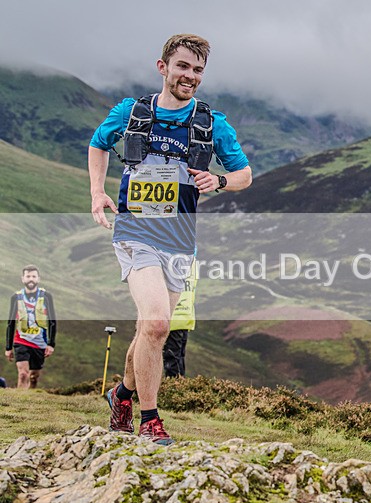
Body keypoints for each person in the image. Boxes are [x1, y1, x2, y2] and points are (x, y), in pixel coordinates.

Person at [88, 34, 252, 445]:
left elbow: (244, 175)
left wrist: (219, 180)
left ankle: (122, 395)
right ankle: (150, 419)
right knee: (158, 322)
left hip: (180, 241)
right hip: (135, 232)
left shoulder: (213, 124)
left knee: (151, 328)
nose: (190, 76)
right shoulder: (132, 112)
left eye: (198, 70)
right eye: (182, 67)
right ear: (162, 67)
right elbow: (98, 143)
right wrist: (97, 192)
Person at [5, 265, 57, 389]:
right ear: (23, 279)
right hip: (21, 340)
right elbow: (11, 323)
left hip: (39, 342)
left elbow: (52, 321)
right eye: (28, 276)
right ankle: (19, 403)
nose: (31, 279)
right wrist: (8, 347)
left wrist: (51, 344)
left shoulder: (46, 297)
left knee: (34, 376)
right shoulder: (16, 297)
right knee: (23, 374)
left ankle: (30, 399)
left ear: (38, 279)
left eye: (33, 276)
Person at [163, 258, 197, 378]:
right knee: (178, 358)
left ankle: (173, 389)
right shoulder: (193, 263)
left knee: (172, 359)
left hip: (173, 317)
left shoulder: (169, 260)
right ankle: (178, 388)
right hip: (185, 317)